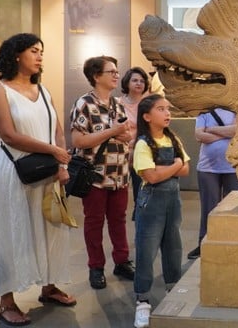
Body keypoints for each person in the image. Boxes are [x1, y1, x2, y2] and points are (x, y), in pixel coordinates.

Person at [0, 33, 76, 327]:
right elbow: (8, 134)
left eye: (41, 51)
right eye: (34, 51)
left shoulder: (43, 91)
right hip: (17, 171)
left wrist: (60, 161)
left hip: (47, 170)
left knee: (50, 226)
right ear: (17, 55)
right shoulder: (0, 90)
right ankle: (6, 301)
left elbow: (57, 129)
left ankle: (49, 286)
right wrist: (54, 151)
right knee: (12, 229)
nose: (40, 56)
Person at [69, 56, 135, 290]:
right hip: (95, 175)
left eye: (117, 71)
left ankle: (122, 261)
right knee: (94, 222)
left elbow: (127, 134)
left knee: (119, 220)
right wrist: (113, 132)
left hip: (120, 173)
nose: (117, 75)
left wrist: (118, 133)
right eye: (111, 72)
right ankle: (96, 266)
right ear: (97, 76)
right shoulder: (84, 103)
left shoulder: (117, 103)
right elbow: (78, 140)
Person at [132, 94, 190, 328]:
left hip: (172, 201)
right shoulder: (143, 144)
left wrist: (172, 167)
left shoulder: (173, 137)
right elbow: (151, 176)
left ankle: (172, 289)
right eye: (160, 109)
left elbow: (186, 169)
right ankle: (143, 300)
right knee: (147, 250)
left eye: (167, 109)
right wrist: (175, 165)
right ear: (147, 116)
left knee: (173, 246)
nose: (167, 113)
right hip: (151, 203)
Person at [187, 108, 238, 260]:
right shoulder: (204, 112)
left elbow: (237, 130)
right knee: (208, 208)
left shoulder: (237, 111)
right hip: (208, 168)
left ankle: (231, 243)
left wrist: (211, 130)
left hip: (232, 166)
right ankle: (204, 243)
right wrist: (225, 132)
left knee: (232, 208)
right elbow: (199, 135)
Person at [119, 67, 151, 221]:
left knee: (141, 189)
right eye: (135, 80)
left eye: (142, 81)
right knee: (119, 191)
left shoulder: (148, 104)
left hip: (141, 151)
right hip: (121, 151)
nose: (139, 83)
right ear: (127, 82)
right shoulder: (117, 103)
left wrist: (137, 149)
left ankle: (139, 213)